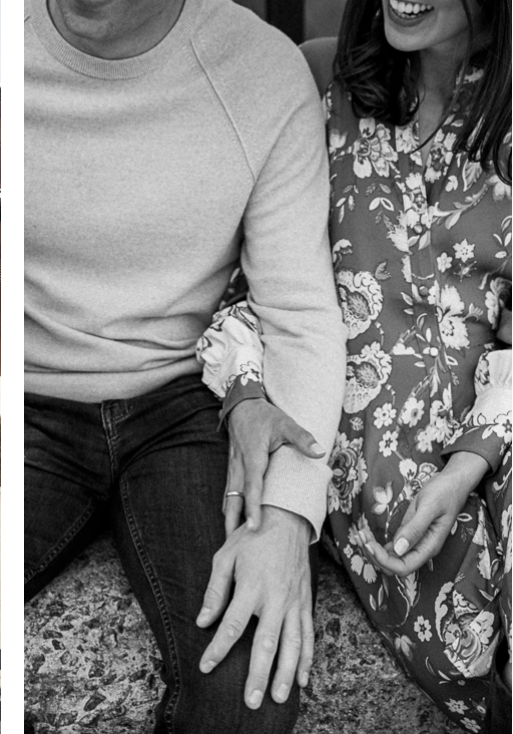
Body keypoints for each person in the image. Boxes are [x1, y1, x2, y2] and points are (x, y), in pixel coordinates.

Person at [24, 0, 348, 730]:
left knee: (249, 690)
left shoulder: (259, 70)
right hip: (27, 404)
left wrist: (289, 517)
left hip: (182, 406)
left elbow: (298, 312)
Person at [197, 0, 511, 730]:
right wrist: (246, 394)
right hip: (363, 464)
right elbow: (247, 289)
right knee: (462, 642)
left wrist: (472, 460)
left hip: (492, 437)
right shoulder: (313, 83)